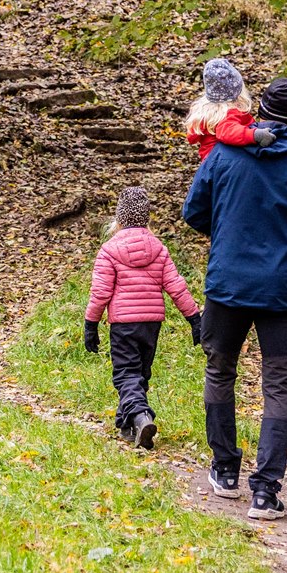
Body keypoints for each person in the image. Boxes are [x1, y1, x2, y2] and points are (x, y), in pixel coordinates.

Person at [181, 77, 287, 520]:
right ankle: (266, 492)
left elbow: (194, 212)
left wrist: (228, 231)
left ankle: (225, 469)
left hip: (227, 283)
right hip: (283, 290)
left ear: (259, 110)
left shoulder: (224, 155)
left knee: (220, 369)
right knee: (279, 384)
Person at [82, 186, 199, 450]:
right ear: (146, 217)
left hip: (124, 323)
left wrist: (91, 324)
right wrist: (194, 318)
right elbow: (176, 285)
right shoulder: (158, 248)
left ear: (119, 218)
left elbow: (100, 292)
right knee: (140, 374)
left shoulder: (109, 250)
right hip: (151, 324)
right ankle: (128, 424)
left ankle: (142, 416)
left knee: (126, 374)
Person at [184, 58, 276, 160]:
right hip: (226, 162)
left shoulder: (205, 111)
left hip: (211, 165)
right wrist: (254, 135)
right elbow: (228, 132)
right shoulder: (229, 114)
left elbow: (192, 137)